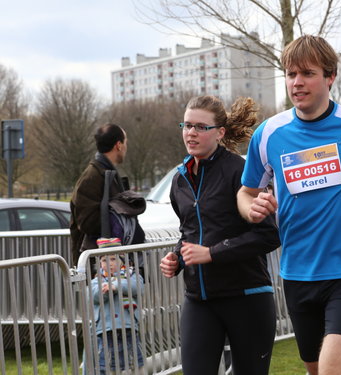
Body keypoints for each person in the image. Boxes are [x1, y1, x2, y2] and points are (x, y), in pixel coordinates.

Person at [236, 35, 341, 375]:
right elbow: (246, 193)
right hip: (298, 275)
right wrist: (251, 208)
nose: (297, 82)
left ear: (330, 77)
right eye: (290, 74)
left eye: (307, 73)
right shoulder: (269, 134)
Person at [159, 95, 280, 375]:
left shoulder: (241, 172)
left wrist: (212, 254)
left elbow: (270, 236)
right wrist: (177, 258)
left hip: (246, 297)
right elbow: (190, 233)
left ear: (220, 133)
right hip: (198, 301)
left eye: (201, 127)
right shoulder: (180, 179)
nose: (191, 133)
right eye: (187, 125)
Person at [70, 123, 145, 266]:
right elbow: (87, 223)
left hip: (109, 262)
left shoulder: (105, 173)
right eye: (125, 142)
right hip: (98, 265)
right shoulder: (92, 177)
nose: (126, 147)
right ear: (118, 145)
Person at [89, 254, 144, 374]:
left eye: (113, 259)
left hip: (128, 326)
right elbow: (94, 296)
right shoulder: (97, 280)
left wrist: (116, 286)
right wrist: (106, 289)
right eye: (104, 260)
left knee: (135, 360)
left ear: (122, 261)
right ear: (99, 263)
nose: (109, 263)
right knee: (107, 363)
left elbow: (138, 287)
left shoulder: (131, 275)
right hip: (106, 328)